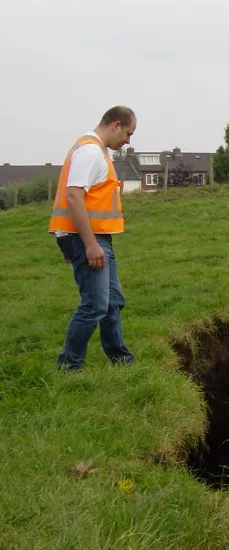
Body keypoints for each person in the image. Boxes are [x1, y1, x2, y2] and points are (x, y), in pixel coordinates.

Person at [48, 106, 137, 371]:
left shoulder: (97, 151)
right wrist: (88, 245)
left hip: (91, 237)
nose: (128, 141)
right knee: (95, 305)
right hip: (88, 238)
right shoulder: (89, 151)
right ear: (115, 125)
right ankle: (68, 366)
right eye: (128, 133)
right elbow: (73, 196)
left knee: (112, 301)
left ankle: (120, 360)